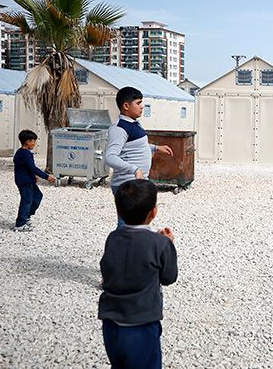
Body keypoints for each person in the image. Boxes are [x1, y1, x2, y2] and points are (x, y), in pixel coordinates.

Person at [99, 179, 178, 369]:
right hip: (141, 324)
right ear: (153, 212)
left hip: (111, 323)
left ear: (119, 211)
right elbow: (169, 277)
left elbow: (108, 269)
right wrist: (169, 245)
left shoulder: (113, 238)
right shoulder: (160, 244)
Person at [105, 86, 173, 228]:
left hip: (136, 183)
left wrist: (156, 148)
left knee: (137, 222)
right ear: (126, 106)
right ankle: (120, 248)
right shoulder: (119, 128)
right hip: (126, 185)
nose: (142, 106)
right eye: (138, 103)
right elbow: (110, 157)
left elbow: (136, 147)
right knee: (127, 223)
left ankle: (131, 247)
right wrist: (135, 169)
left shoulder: (134, 123)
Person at [13, 130, 55, 232]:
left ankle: (26, 216)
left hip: (28, 180)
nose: (34, 144)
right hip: (24, 181)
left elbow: (27, 168)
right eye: (33, 141)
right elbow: (33, 167)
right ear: (27, 142)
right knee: (27, 200)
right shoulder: (25, 154)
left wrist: (33, 176)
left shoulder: (22, 152)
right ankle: (20, 224)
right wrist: (46, 177)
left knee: (37, 196)